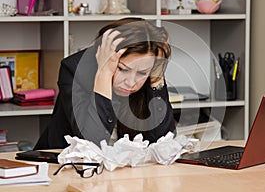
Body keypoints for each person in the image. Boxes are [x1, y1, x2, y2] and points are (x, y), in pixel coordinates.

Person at [34, 17, 176, 149]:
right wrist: (104, 74)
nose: (131, 82)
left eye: (142, 73)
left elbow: (164, 142)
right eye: (122, 69)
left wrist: (156, 80)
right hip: (64, 165)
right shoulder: (74, 69)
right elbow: (92, 142)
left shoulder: (149, 69)